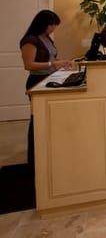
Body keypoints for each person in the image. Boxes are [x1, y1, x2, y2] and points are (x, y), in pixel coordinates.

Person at [19, 10, 72, 168]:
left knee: (48, 117)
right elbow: (29, 65)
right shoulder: (30, 40)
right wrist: (52, 64)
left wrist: (61, 63)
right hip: (37, 81)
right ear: (43, 23)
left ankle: (48, 150)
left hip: (49, 78)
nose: (53, 28)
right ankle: (34, 157)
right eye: (51, 25)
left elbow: (51, 58)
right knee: (37, 118)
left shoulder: (46, 38)